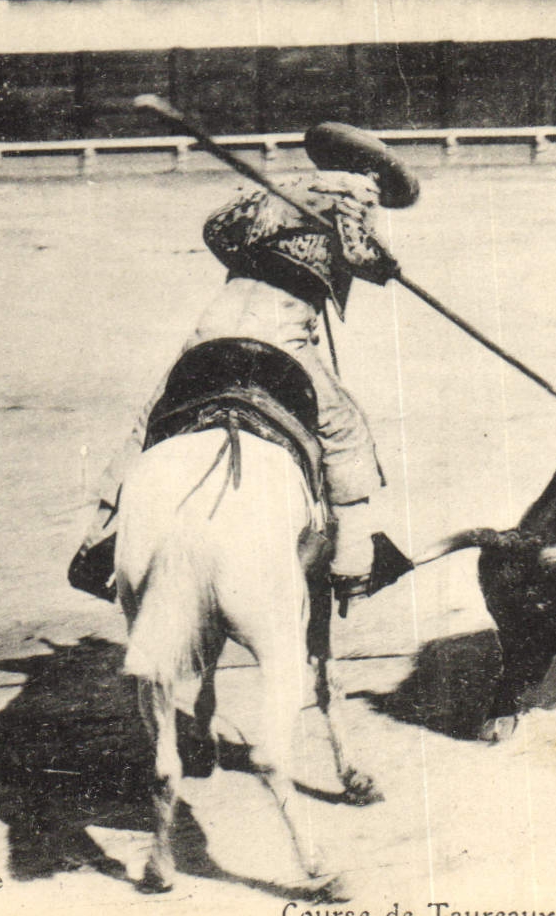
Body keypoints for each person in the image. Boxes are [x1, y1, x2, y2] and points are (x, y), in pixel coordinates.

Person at [69, 122, 420, 612]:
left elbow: (216, 229)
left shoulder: (277, 186)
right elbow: (360, 251)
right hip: (282, 327)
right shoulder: (356, 189)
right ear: (370, 170)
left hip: (217, 319)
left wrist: (264, 254)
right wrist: (387, 267)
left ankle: (98, 541)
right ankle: (354, 563)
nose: (377, 188)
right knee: (345, 429)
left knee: (153, 417)